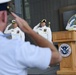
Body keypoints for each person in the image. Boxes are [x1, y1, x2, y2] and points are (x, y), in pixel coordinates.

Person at [0, 0, 62, 75]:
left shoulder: (47, 29)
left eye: (43, 22)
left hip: (45, 43)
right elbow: (56, 57)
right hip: (39, 46)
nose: (42, 24)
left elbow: (49, 36)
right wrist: (28, 30)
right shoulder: (17, 48)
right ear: (3, 16)